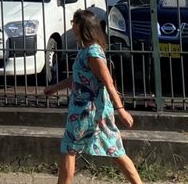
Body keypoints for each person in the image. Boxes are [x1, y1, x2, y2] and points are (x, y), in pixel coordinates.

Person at [43, 9, 143, 184]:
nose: (72, 26)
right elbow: (77, 78)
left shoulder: (93, 53)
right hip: (89, 110)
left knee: (70, 148)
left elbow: (108, 82)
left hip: (87, 111)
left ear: (82, 26)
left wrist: (121, 110)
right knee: (115, 150)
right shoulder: (86, 50)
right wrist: (55, 88)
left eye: (74, 22)